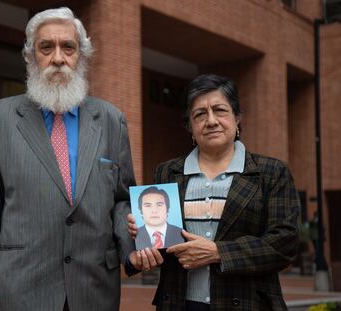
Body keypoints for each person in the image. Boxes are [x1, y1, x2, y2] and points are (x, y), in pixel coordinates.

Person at [0, 7, 160, 311]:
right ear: (31, 56)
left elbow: (122, 199)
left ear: (81, 56)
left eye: (68, 47)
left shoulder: (111, 119)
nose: (58, 57)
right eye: (46, 47)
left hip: (94, 287)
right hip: (20, 287)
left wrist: (132, 249)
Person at [128, 74, 300, 310]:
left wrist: (218, 252)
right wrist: (143, 238)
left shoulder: (271, 172)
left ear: (237, 117)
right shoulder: (167, 172)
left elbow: (285, 244)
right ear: (189, 126)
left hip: (248, 304)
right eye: (200, 114)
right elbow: (166, 246)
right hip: (179, 303)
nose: (211, 121)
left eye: (220, 110)